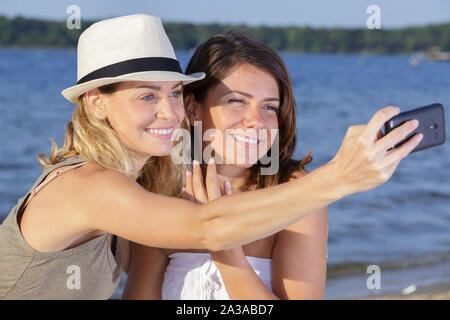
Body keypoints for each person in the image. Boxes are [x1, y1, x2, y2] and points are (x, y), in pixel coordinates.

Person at [0, 15, 422, 300]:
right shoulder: (90, 186)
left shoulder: (145, 186)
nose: (169, 111)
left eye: (172, 94)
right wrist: (342, 176)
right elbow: (208, 227)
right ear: (95, 102)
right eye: (148, 95)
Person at [121, 31, 424, 300]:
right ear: (192, 108)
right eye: (237, 101)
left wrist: (224, 246)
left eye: (269, 107)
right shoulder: (162, 188)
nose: (257, 121)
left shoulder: (296, 192)